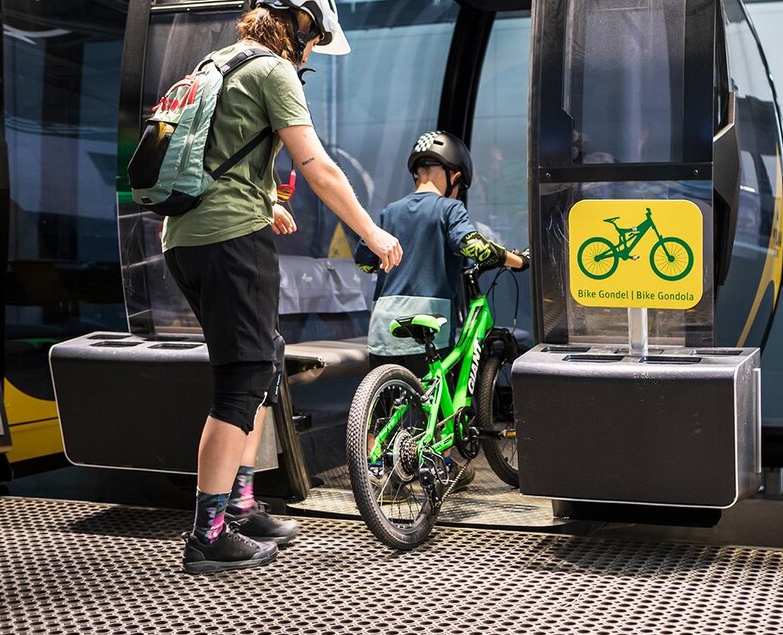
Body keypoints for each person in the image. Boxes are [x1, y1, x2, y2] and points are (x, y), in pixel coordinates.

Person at [163, 0, 402, 574]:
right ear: (300, 27)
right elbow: (317, 165)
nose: (314, 52)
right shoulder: (273, 69)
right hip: (229, 244)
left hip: (185, 239)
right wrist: (370, 232)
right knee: (240, 382)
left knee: (264, 359)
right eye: (316, 40)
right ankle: (209, 533)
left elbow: (215, 151)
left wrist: (266, 199)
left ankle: (241, 506)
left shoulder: (215, 64)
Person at [355, 130, 529, 492]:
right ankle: (444, 464)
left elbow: (365, 262)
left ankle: (377, 475)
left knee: (386, 408)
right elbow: (472, 245)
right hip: (432, 319)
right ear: (454, 176)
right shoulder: (450, 208)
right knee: (442, 396)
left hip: (385, 322)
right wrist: (516, 260)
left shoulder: (389, 212)